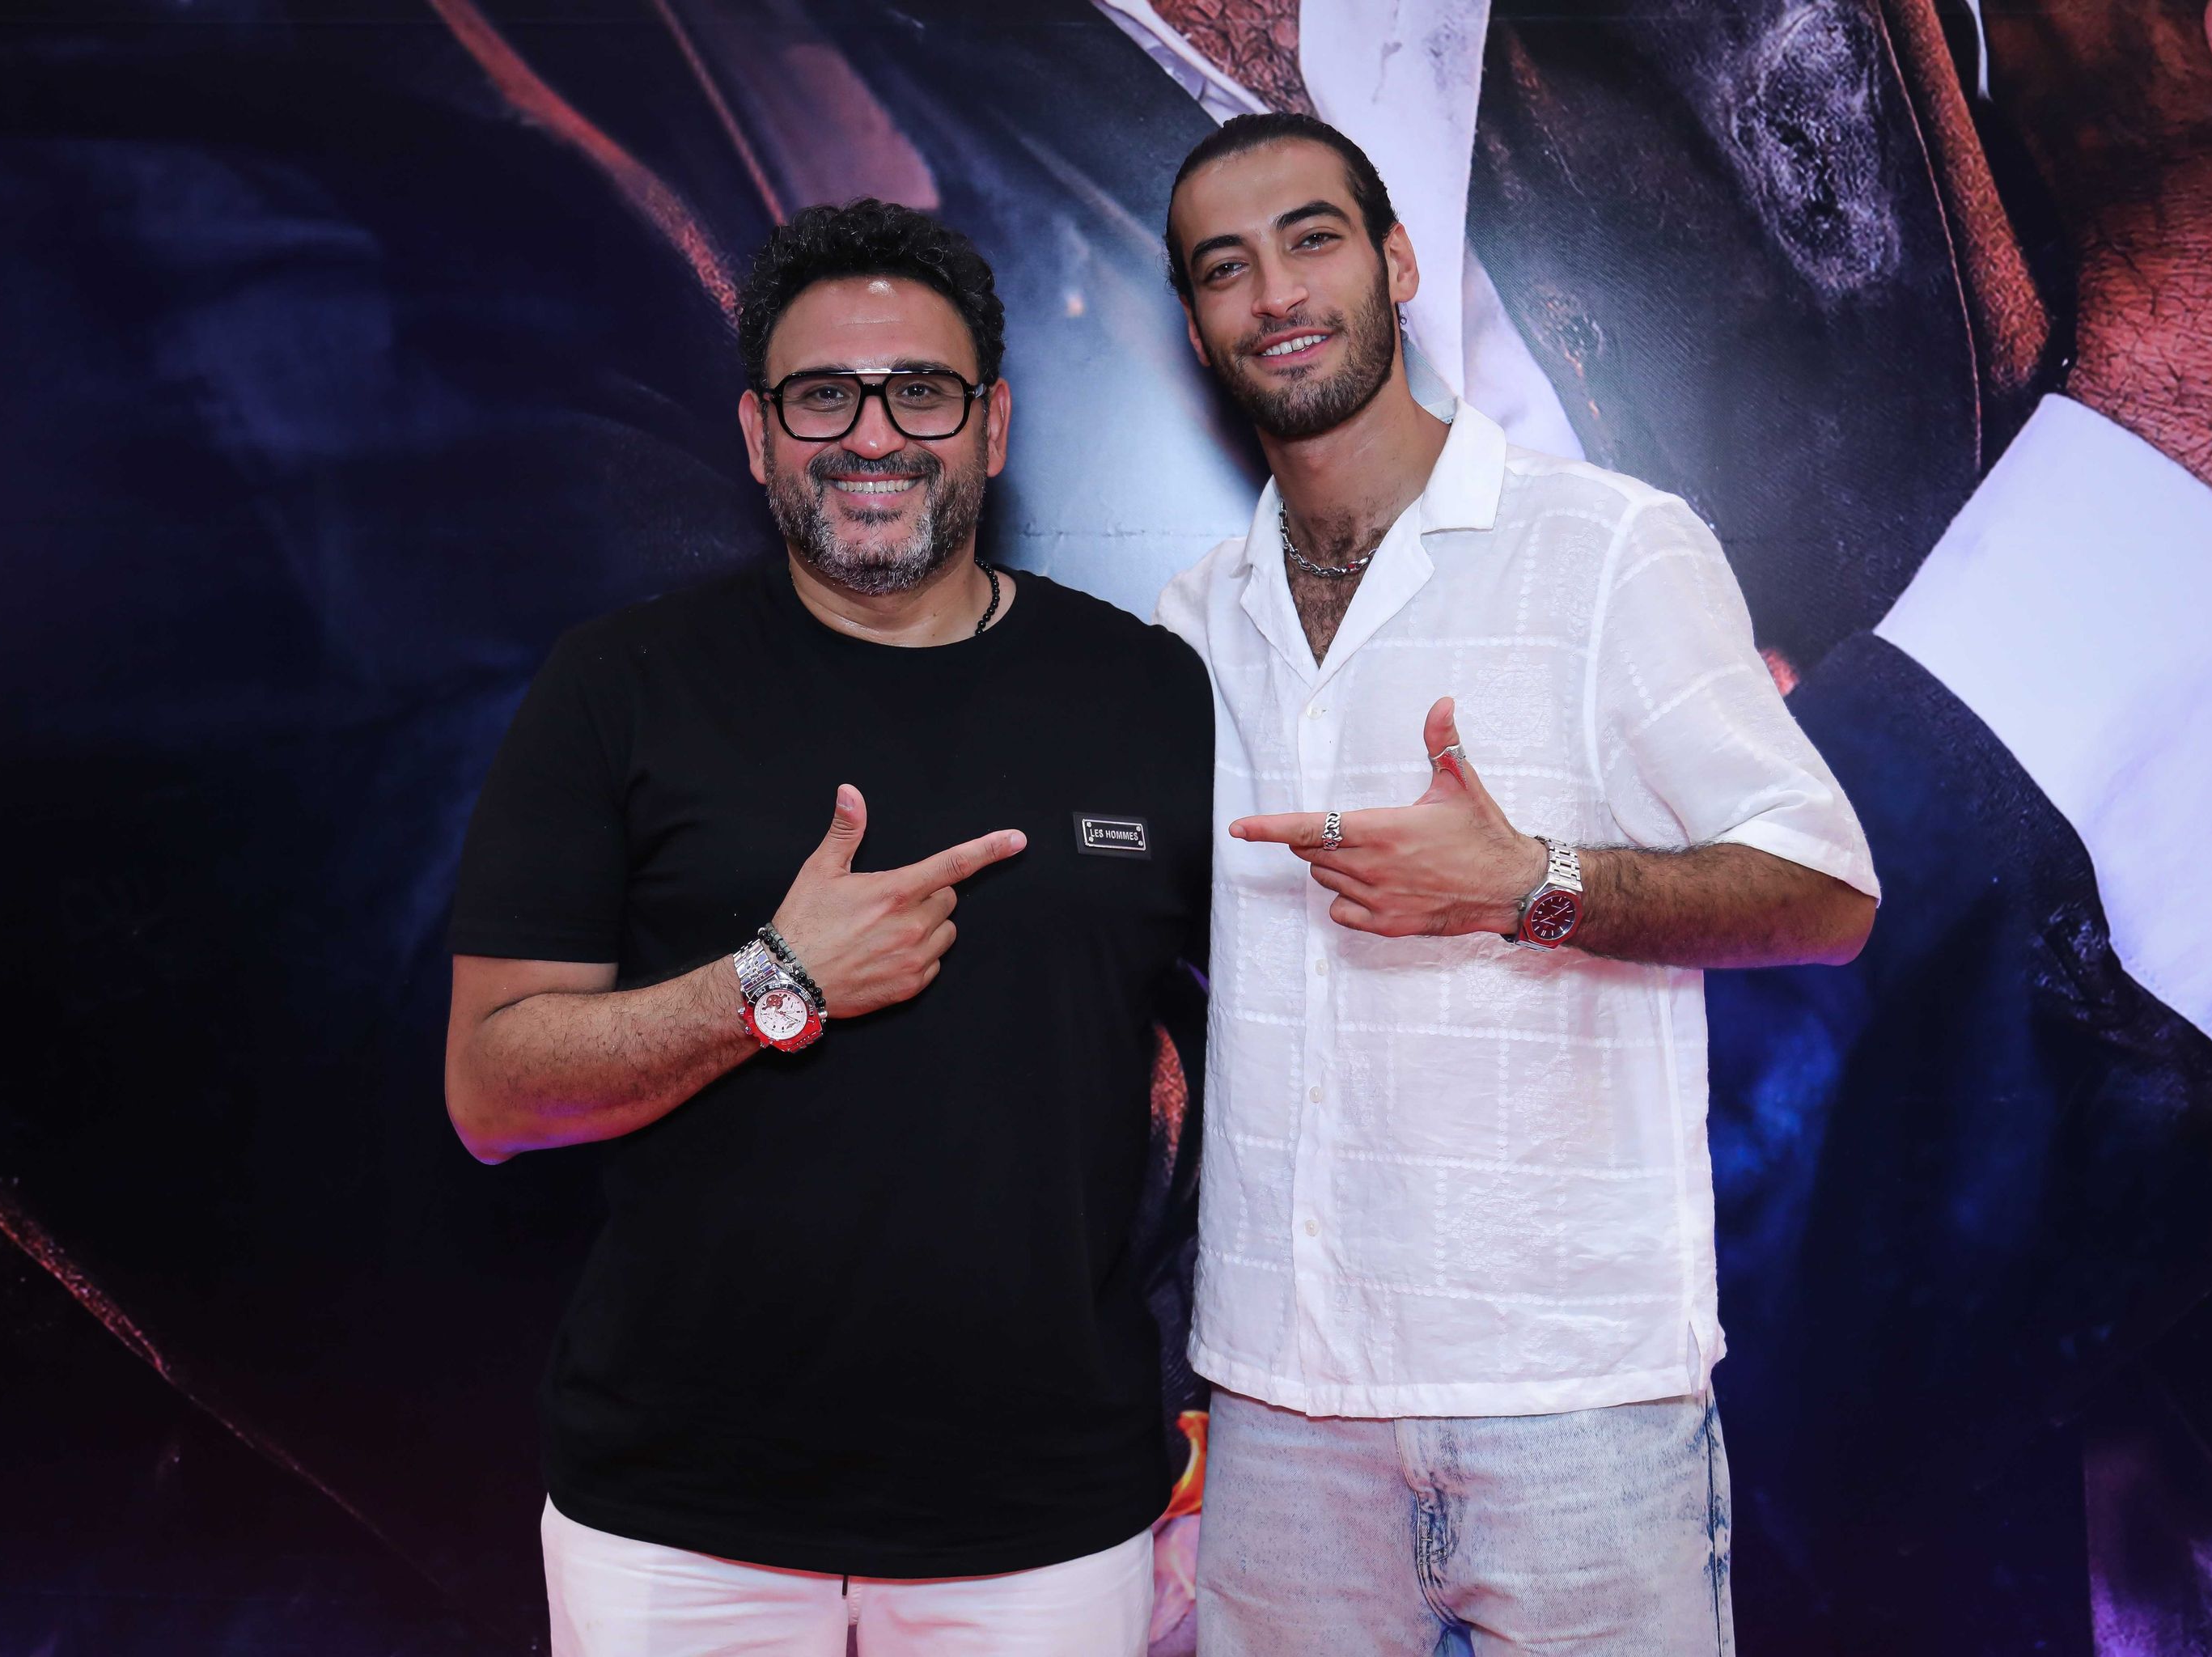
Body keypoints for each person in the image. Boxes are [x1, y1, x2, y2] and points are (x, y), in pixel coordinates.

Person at [1151, 113, 1879, 1655]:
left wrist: (1525, 885)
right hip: (1279, 1412)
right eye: (1225, 268)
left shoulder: (1608, 546)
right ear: (1199, 328)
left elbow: (1826, 893)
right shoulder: (1193, 619)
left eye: (1312, 239)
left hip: (1574, 1404)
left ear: (1399, 262)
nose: (1276, 292)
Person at [443, 198, 1210, 1655]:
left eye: (920, 390)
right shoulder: (622, 688)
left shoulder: (1149, 693)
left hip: (1045, 1524)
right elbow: (493, 1095)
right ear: (756, 433)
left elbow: (1269, 1072)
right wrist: (775, 981)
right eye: (821, 396)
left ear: (992, 424)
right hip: (677, 1526)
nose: (872, 435)